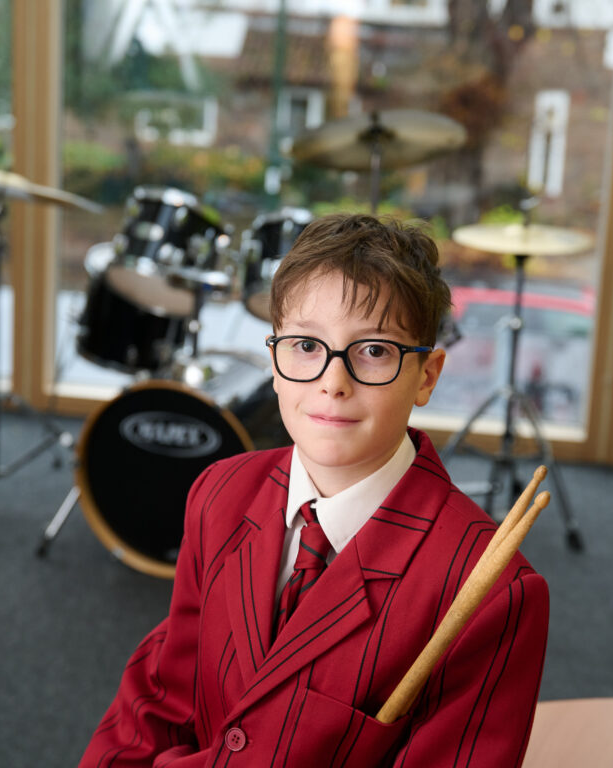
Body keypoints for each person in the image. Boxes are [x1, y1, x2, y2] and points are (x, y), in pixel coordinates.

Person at [79, 213, 549, 768]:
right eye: (305, 345)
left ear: (427, 375)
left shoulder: (493, 589)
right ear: (273, 362)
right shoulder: (219, 492)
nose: (333, 380)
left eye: (374, 350)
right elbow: (161, 698)